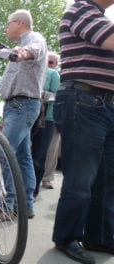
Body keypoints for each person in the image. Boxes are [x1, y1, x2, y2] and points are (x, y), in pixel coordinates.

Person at [52, 1, 114, 263]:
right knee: (81, 178)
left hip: (104, 103)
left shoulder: (99, 16)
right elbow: (109, 40)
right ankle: (67, 236)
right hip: (84, 100)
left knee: (107, 178)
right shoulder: (80, 8)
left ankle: (98, 236)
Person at [0, 9, 47, 221]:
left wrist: (20, 53)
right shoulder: (22, 42)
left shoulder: (32, 38)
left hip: (22, 104)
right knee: (23, 157)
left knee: (4, 151)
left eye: (8, 24)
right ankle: (26, 205)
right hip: (18, 105)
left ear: (20, 23)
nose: (6, 28)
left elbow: (35, 49)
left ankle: (6, 204)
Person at [31, 51, 60, 197]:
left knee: (40, 156)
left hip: (47, 119)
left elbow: (57, 96)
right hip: (29, 117)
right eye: (45, 61)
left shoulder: (53, 75)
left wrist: (39, 94)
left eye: (51, 62)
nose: (47, 64)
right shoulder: (34, 71)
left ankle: (33, 191)